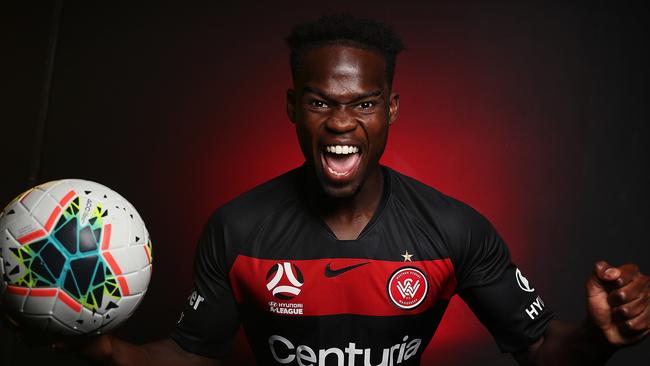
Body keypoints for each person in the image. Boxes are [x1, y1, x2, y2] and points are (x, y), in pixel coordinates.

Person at [67, 14, 648, 366]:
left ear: (390, 108)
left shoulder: (454, 230)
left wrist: (600, 339)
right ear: (293, 107)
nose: (342, 124)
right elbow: (192, 353)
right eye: (321, 102)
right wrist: (110, 353)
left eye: (363, 104)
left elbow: (541, 351)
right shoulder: (238, 228)